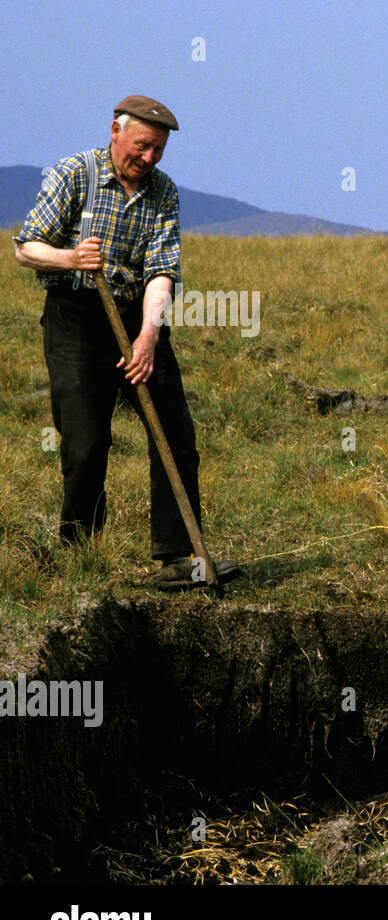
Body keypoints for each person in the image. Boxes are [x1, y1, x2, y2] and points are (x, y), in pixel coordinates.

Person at [13, 95, 237, 589]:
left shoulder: (163, 192)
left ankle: (180, 558)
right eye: (142, 146)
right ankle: (80, 555)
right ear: (115, 131)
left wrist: (148, 337)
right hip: (76, 316)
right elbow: (26, 247)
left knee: (175, 433)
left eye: (158, 150)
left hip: (140, 316)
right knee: (88, 441)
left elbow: (162, 270)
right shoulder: (75, 174)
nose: (149, 158)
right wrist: (70, 258)